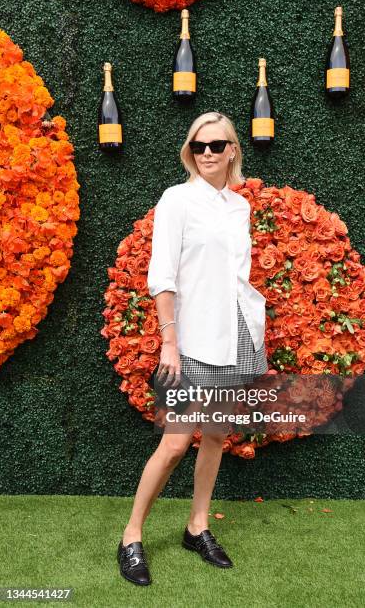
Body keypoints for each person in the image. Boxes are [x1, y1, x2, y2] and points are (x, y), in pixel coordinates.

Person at [117, 112, 268, 586]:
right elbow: (161, 276)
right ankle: (131, 536)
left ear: (232, 152)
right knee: (177, 441)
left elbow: (236, 277)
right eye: (199, 145)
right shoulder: (176, 200)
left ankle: (196, 526)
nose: (207, 153)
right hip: (190, 339)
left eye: (217, 145)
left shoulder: (239, 207)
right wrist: (169, 343)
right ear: (191, 150)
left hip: (236, 334)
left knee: (218, 434)